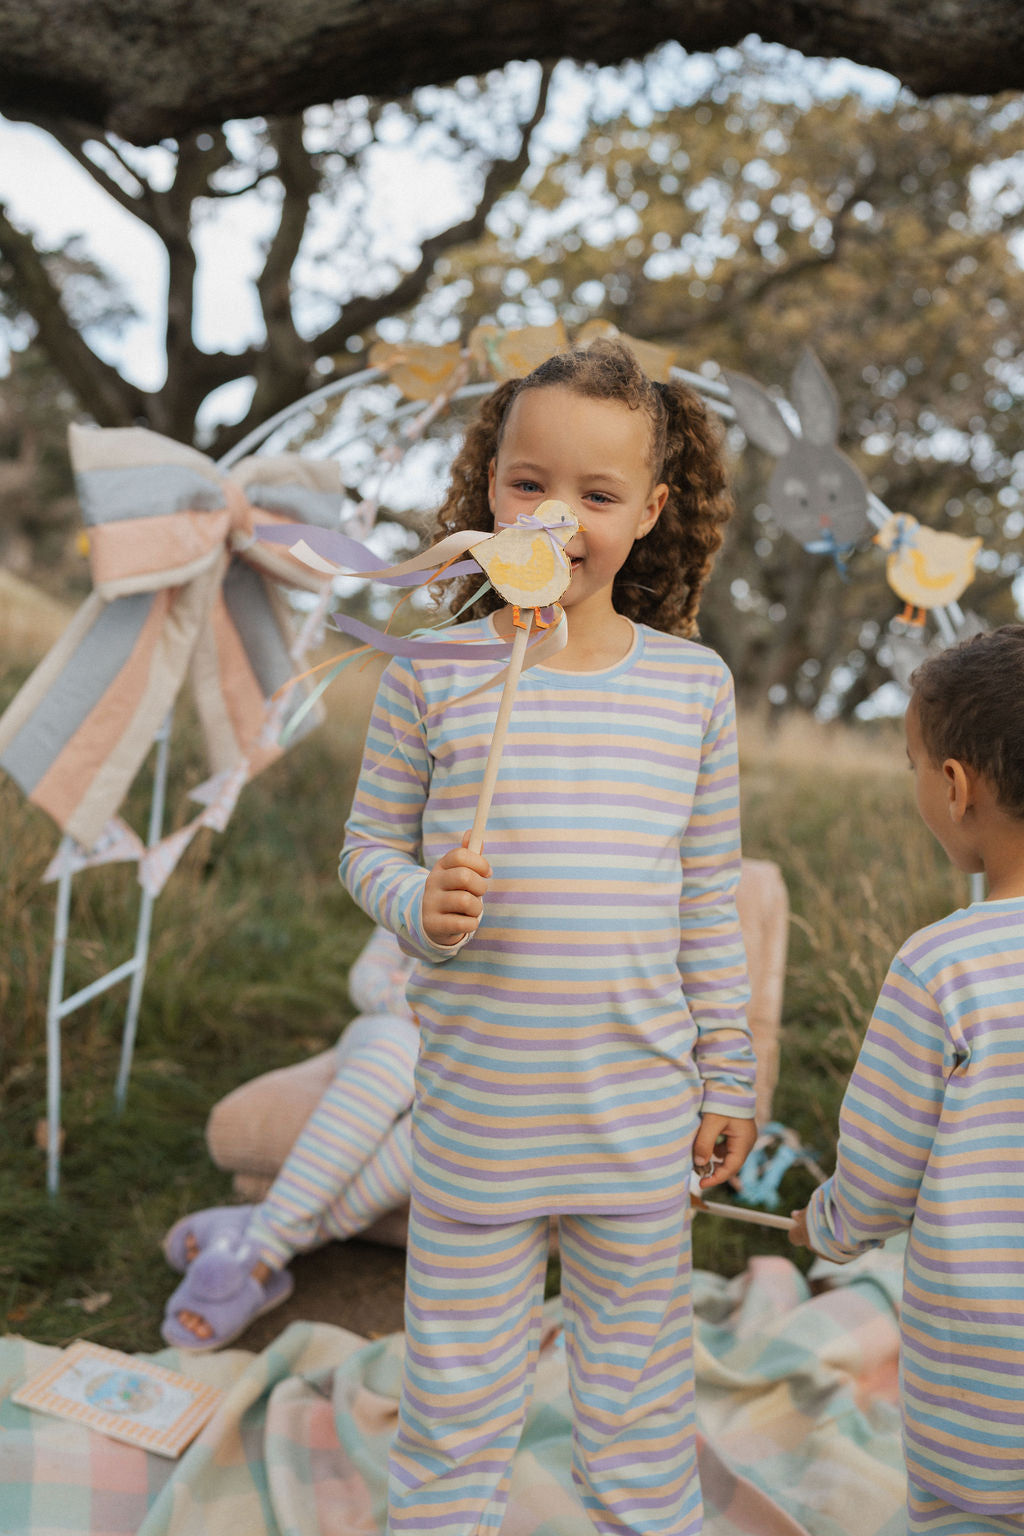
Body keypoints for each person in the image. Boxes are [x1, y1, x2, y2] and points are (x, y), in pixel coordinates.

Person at [339, 338, 758, 1536]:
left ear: (651, 512)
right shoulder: (431, 674)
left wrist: (726, 1069)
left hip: (632, 1119)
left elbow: (705, 900)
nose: (556, 517)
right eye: (528, 484)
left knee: (634, 1403)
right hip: (478, 1120)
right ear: (487, 489)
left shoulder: (692, 689)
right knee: (456, 1402)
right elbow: (365, 849)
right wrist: (418, 901)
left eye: (596, 494)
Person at [790, 625, 1024, 1536]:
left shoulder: (943, 969)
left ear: (956, 788)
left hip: (986, 1391)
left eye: (914, 762)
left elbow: (881, 1178)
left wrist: (833, 1224)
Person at [161, 926, 418, 1350]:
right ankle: (266, 1251)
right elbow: (366, 976)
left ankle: (258, 1235)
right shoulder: (428, 874)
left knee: (452, 1123)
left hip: (478, 1059)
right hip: (396, 1030)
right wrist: (407, 1001)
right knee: (392, 1060)